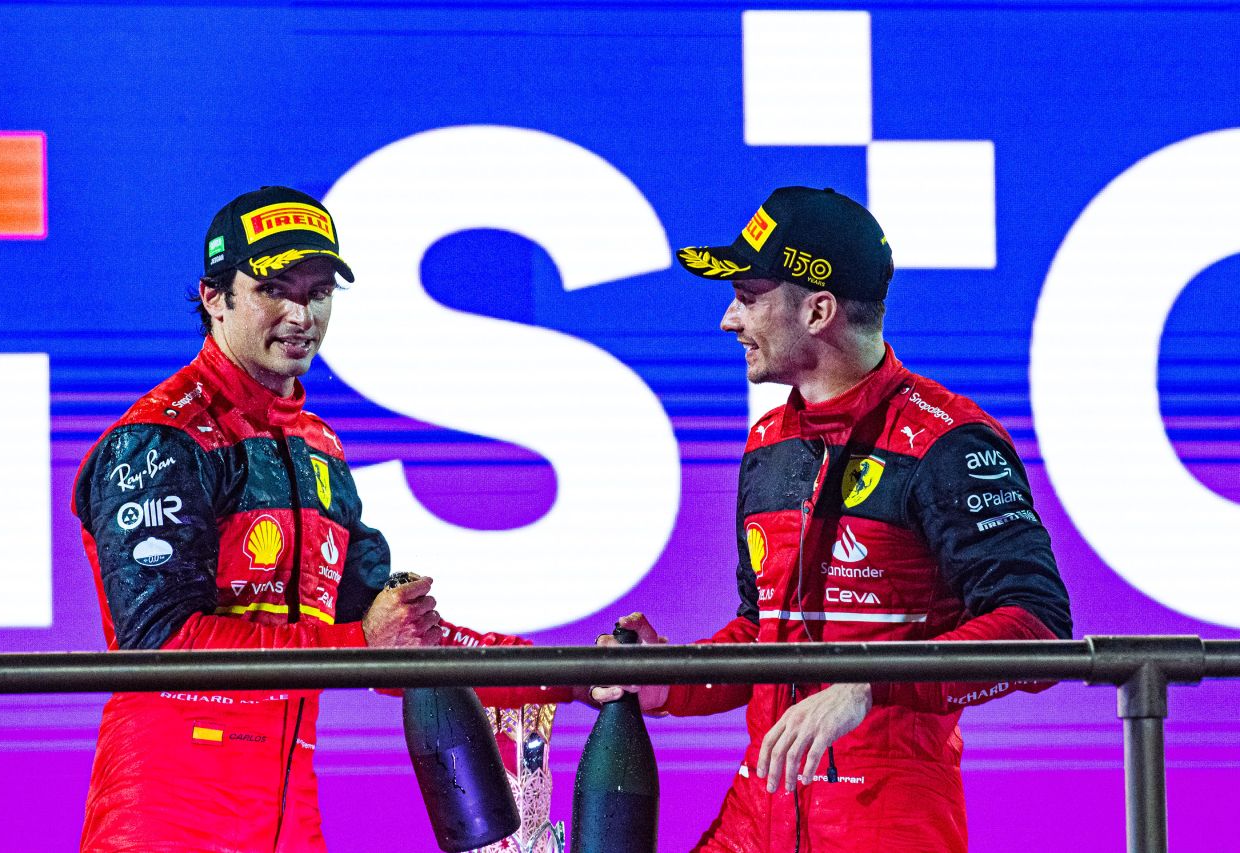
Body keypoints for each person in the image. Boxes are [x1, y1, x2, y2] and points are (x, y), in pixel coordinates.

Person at [72, 186, 570, 852]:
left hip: (288, 816)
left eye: (318, 292)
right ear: (215, 297)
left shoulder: (317, 446)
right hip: (168, 816)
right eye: (273, 290)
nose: (301, 315)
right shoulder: (160, 439)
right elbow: (162, 646)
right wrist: (363, 642)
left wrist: (572, 672)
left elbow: (396, 638)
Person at [593, 186, 1072, 852]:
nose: (729, 320)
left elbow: (1039, 629)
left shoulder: (948, 442)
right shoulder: (768, 442)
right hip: (756, 815)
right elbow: (763, 635)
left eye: (748, 296)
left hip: (887, 823)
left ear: (818, 310)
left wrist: (869, 682)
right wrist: (669, 680)